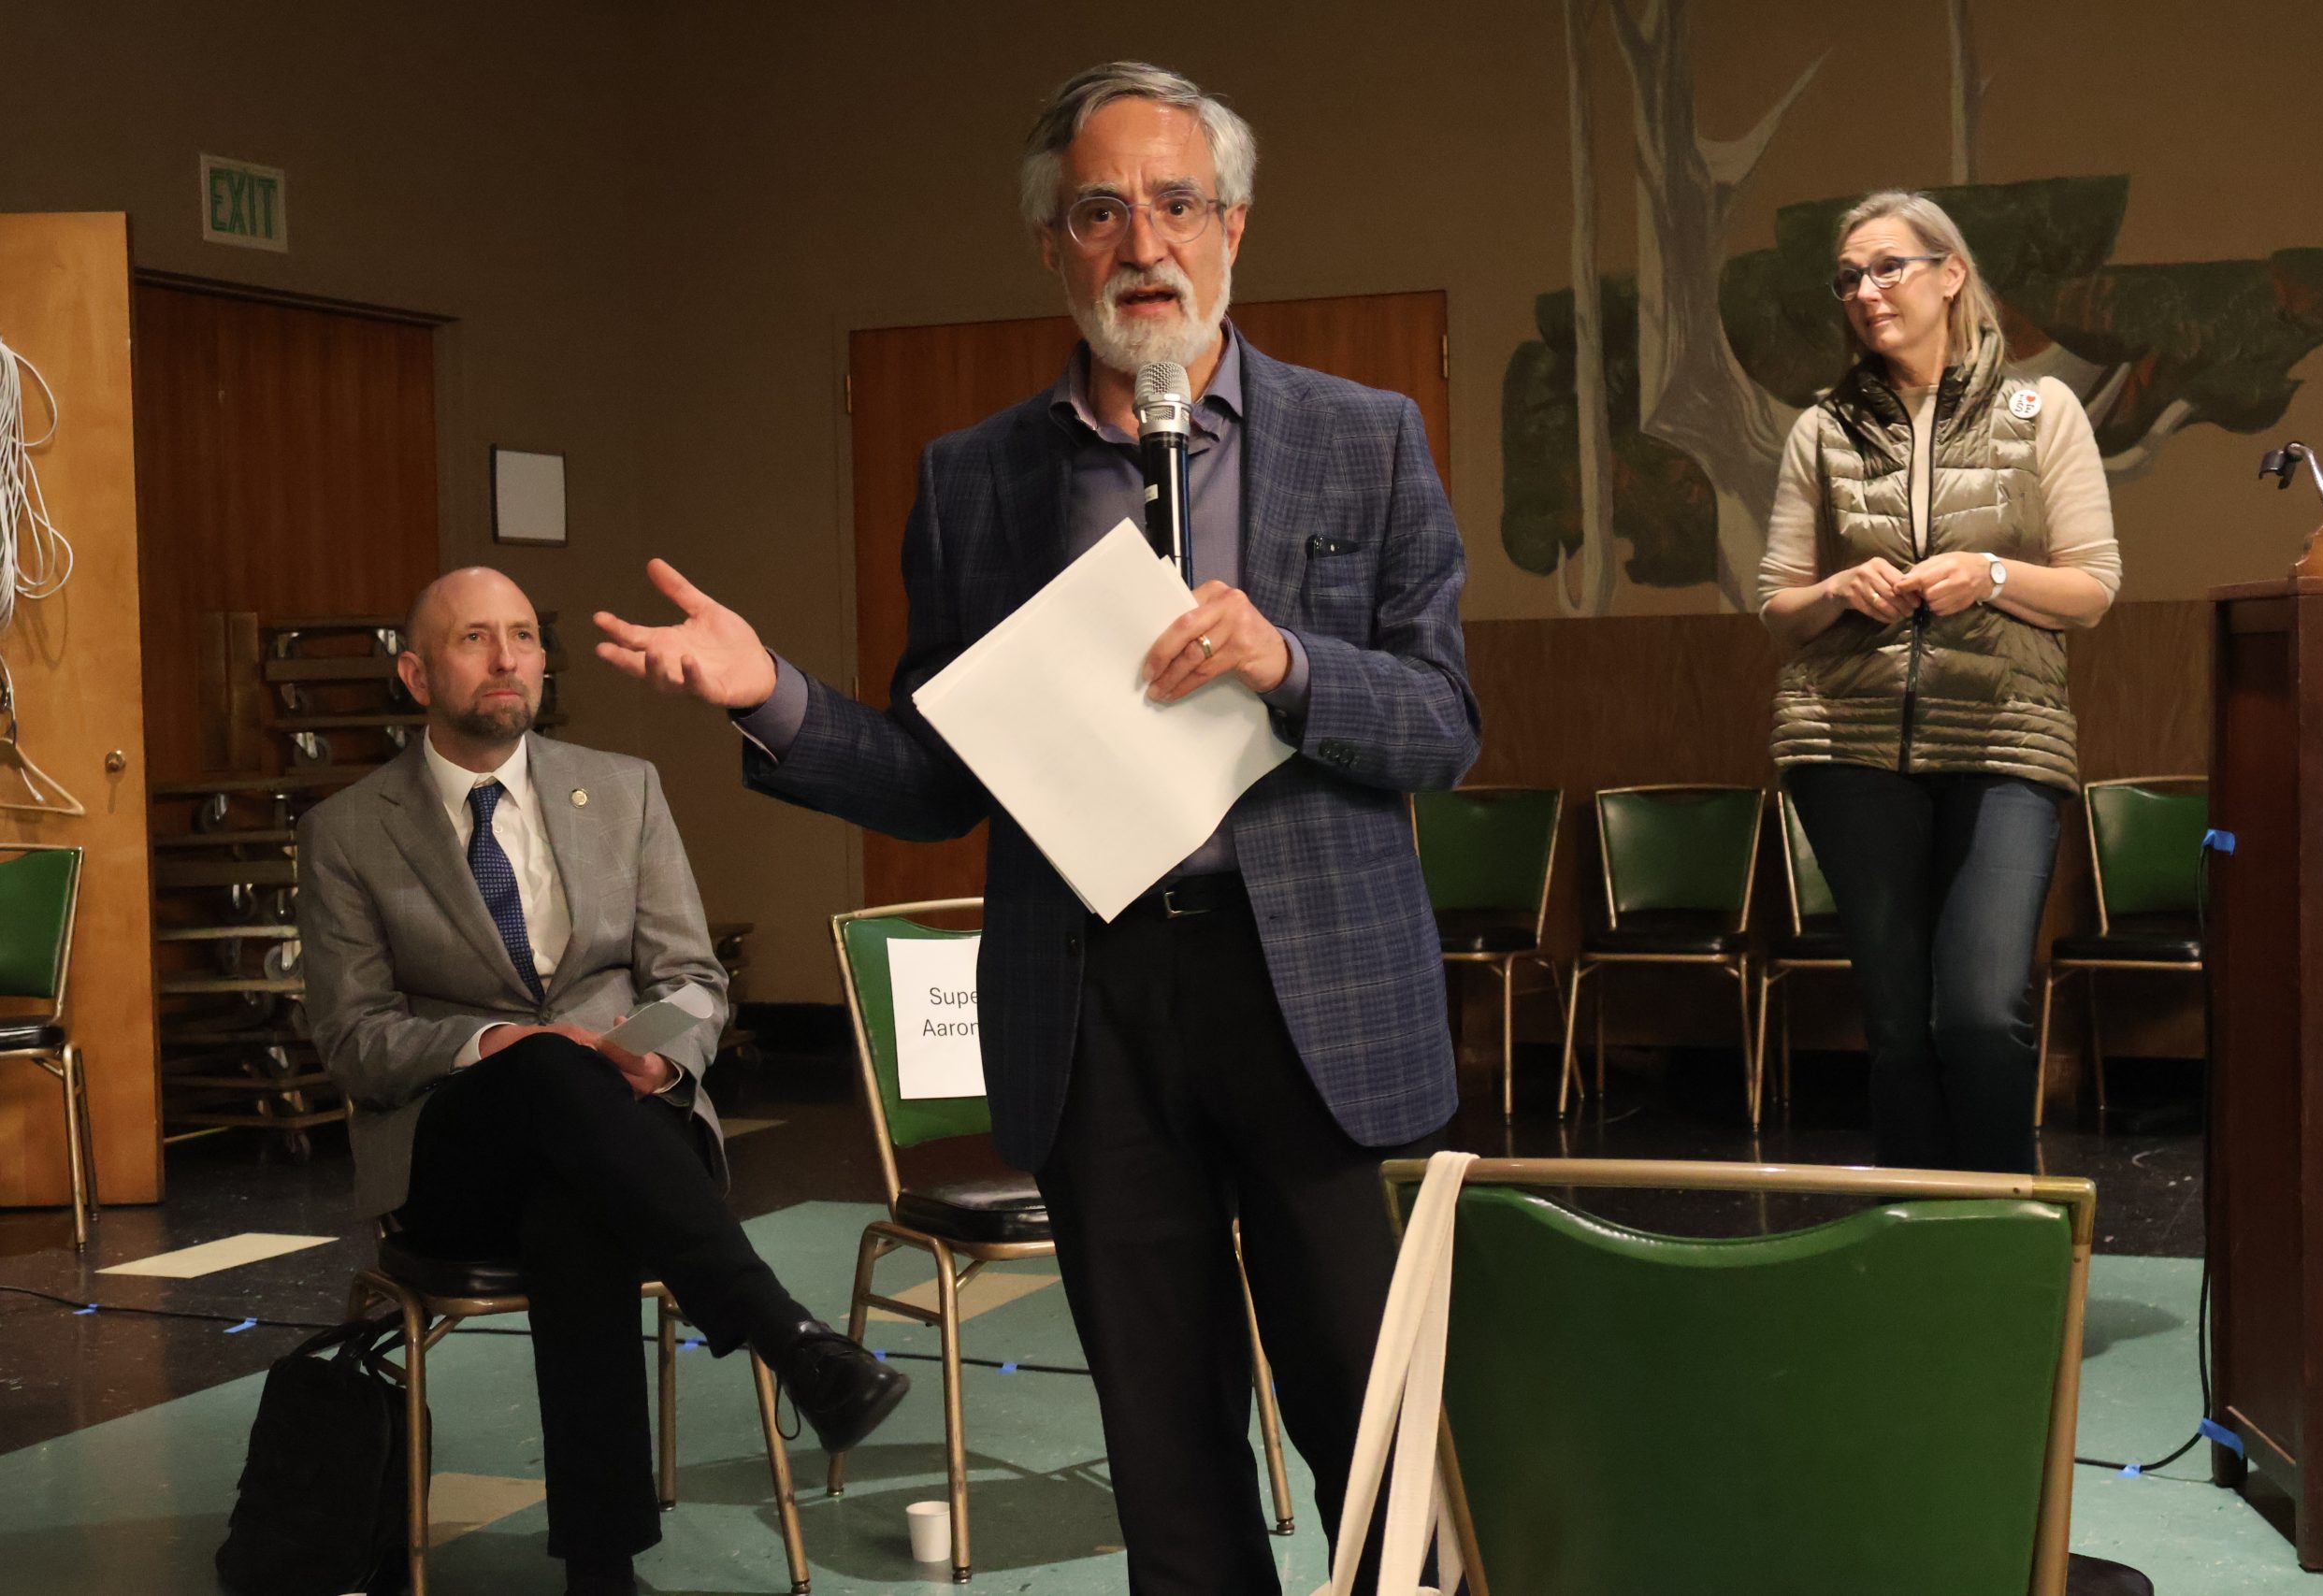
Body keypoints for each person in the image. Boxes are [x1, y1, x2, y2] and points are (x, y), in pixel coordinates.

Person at [592, 61, 1479, 1596]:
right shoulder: (977, 479)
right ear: (1054, 246)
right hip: (1092, 1005)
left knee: (1378, 1425)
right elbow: (940, 777)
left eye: (1178, 202)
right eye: (1100, 211)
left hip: (1317, 997)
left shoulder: (1367, 437)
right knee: (1165, 1448)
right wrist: (771, 695)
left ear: (1234, 226)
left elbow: (1444, 722)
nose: (1145, 240)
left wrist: (1290, 663)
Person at [297, 568, 908, 1596]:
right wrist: (494, 1045)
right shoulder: (348, 830)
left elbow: (694, 979)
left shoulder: (624, 789)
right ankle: (789, 1337)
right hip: (457, 1152)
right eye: (474, 639)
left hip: (623, 1122)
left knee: (576, 1207)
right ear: (415, 675)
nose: (506, 658)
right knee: (543, 1065)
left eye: (524, 636)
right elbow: (354, 1039)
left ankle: (602, 1568)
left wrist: (660, 1052)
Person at [1757, 190, 2122, 1174]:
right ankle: (1917, 1236)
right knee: (1897, 1026)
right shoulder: (1822, 428)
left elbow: (2092, 588)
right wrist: (1839, 588)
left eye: (1888, 267)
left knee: (1977, 1014)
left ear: (1950, 274)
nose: (1866, 291)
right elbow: (1779, 606)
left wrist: (1991, 573)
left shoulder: (2041, 410)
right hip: (1846, 743)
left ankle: (2003, 1230)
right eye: (1849, 278)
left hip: (2005, 738)